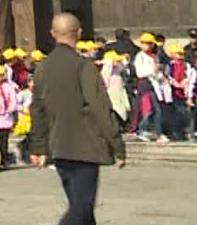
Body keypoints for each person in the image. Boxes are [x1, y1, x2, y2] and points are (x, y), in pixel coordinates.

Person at [30, 13, 126, 225]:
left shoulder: (42, 68)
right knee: (81, 208)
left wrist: (38, 147)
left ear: (53, 34)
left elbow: (37, 110)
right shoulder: (83, 66)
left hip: (59, 146)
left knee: (82, 209)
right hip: (86, 146)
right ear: (79, 33)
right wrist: (117, 145)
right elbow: (101, 108)